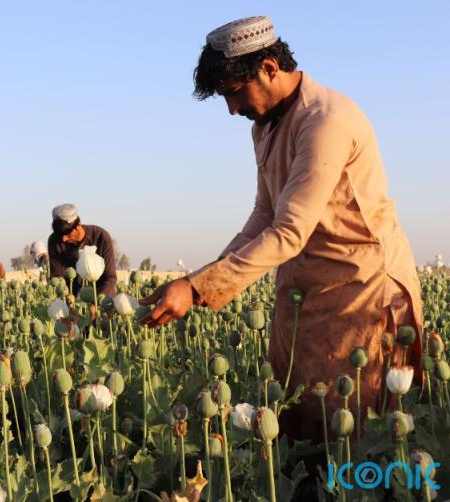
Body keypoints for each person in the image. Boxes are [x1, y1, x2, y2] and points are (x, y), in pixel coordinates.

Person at [139, 16, 423, 443]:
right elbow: (264, 214)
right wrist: (196, 279)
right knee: (298, 419)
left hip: (359, 291)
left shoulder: (325, 122)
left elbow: (289, 231)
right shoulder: (266, 125)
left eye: (235, 93)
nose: (232, 109)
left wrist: (197, 289)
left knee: (355, 431)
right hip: (304, 292)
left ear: (270, 67)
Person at [48, 204, 117, 297]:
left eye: (67, 234)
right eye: (60, 235)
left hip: (102, 299)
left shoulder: (101, 237)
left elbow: (110, 278)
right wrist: (67, 298)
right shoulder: (54, 241)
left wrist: (98, 301)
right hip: (72, 301)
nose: (63, 239)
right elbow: (58, 276)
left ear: (78, 225)